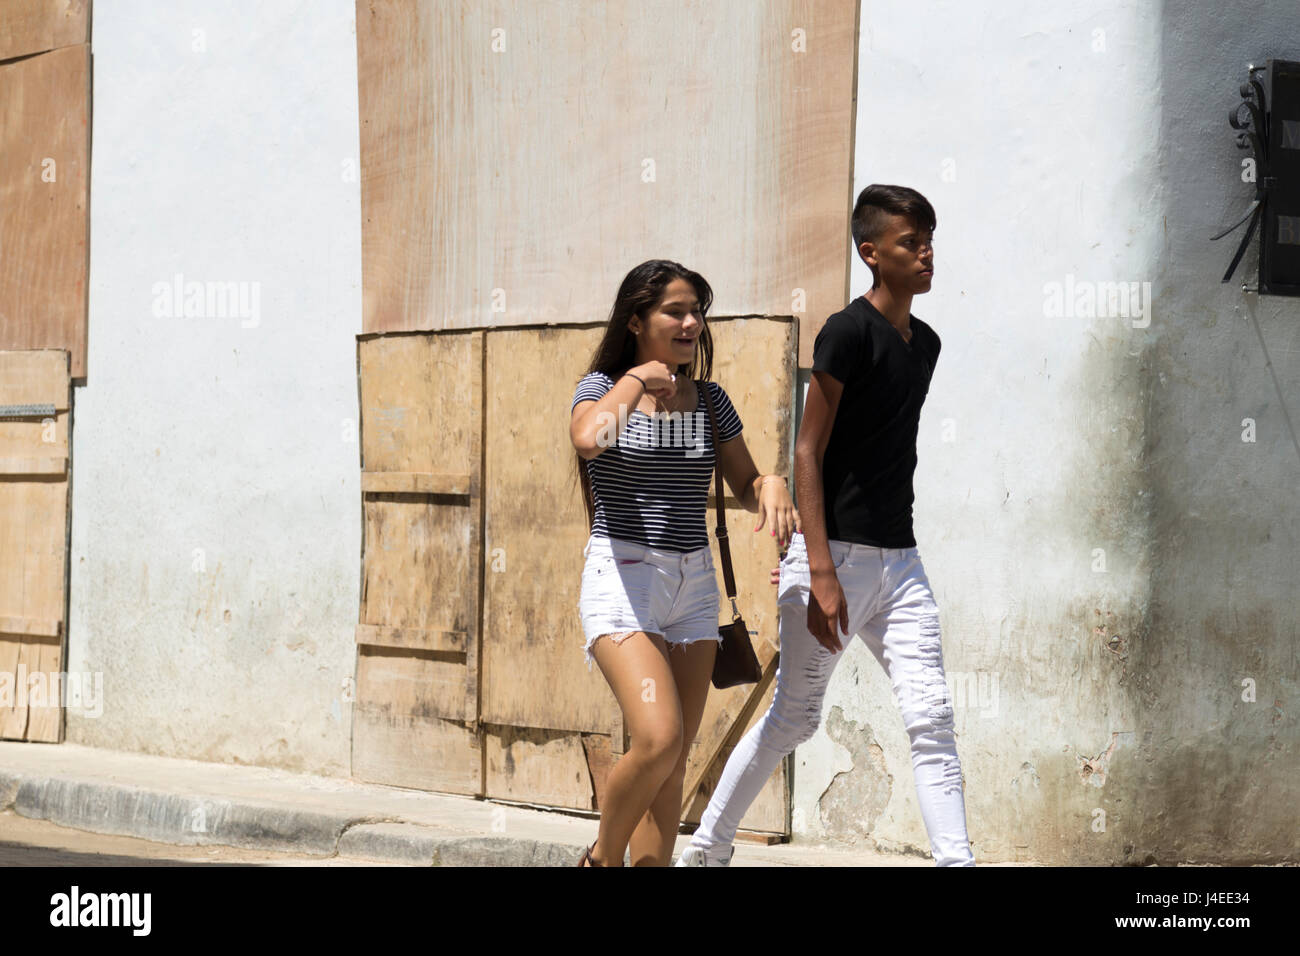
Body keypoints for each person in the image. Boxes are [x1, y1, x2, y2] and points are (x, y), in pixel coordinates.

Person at [676, 184, 976, 867]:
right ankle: (707, 850)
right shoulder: (846, 331)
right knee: (795, 718)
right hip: (831, 555)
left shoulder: (925, 342)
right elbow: (807, 452)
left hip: (901, 564)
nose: (927, 254)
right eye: (911, 243)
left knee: (932, 720)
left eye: (930, 240)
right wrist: (819, 570)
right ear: (872, 253)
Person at [569, 259, 799, 867]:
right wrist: (639, 380)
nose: (692, 322)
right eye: (675, 310)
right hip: (624, 577)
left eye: (697, 310)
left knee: (672, 765)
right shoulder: (601, 391)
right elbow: (591, 438)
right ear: (637, 320)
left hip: (693, 584)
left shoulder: (710, 400)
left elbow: (745, 482)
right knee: (658, 737)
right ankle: (602, 859)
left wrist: (770, 485)